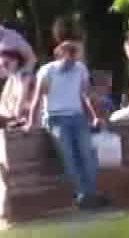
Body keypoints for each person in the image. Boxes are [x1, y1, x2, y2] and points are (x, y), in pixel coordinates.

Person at [23, 39, 107, 209]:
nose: (73, 62)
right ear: (60, 56)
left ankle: (91, 192)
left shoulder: (80, 69)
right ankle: (82, 193)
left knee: (87, 154)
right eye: (69, 57)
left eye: (75, 57)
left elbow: (85, 94)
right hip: (56, 118)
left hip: (77, 116)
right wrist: (31, 122)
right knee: (69, 156)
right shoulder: (47, 71)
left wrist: (94, 117)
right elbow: (37, 98)